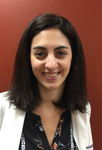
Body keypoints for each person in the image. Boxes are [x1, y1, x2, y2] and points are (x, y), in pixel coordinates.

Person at [0, 13, 93, 150]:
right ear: (28, 58)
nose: (50, 64)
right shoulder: (2, 107)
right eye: (40, 54)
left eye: (60, 53)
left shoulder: (82, 108)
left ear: (73, 58)